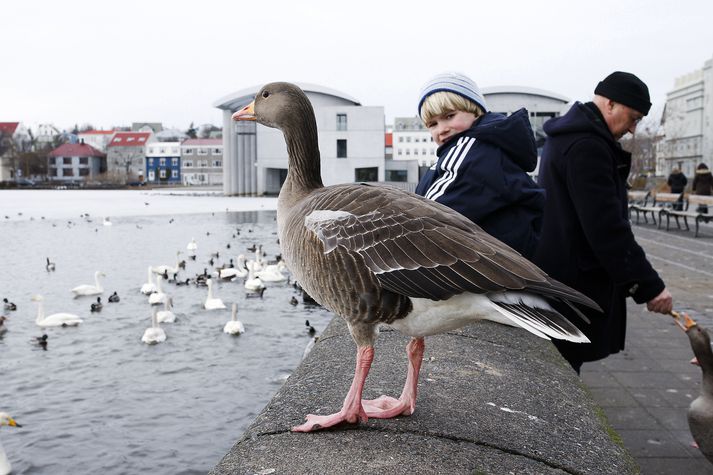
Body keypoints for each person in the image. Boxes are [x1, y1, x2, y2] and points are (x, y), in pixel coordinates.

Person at [533, 71, 673, 373]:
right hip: (576, 286)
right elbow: (607, 228)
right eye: (632, 118)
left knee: (560, 371)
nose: (633, 130)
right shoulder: (587, 146)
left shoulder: (567, 138)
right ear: (609, 104)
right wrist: (649, 286)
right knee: (564, 374)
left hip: (559, 277)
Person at [414, 72, 544, 259]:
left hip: (495, 264)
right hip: (508, 256)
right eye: (432, 124)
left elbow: (428, 216)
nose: (442, 129)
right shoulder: (479, 147)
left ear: (475, 110)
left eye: (449, 116)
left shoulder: (472, 152)